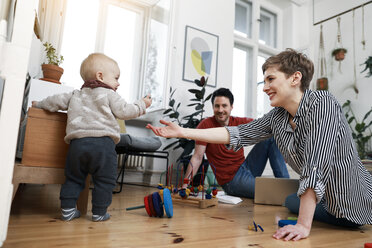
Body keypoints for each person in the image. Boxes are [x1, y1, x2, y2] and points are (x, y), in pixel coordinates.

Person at [146, 48, 372, 241]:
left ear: (295, 78)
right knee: (290, 201)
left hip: (355, 204)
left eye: (271, 79)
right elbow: (236, 134)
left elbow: (315, 166)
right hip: (328, 202)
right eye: (264, 81)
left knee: (299, 202)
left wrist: (303, 226)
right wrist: (183, 131)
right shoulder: (277, 117)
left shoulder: (323, 104)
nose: (264, 87)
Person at [32, 53, 152, 222]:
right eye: (116, 78)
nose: (118, 82)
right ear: (100, 76)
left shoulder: (75, 94)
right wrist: (142, 104)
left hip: (77, 145)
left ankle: (67, 210)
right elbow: (125, 111)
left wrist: (38, 104)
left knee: (73, 177)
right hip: (103, 145)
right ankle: (99, 212)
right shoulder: (110, 94)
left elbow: (54, 101)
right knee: (105, 180)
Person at [182, 87, 289, 198]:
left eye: (224, 106)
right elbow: (197, 157)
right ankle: (288, 194)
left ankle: (286, 186)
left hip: (246, 167)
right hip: (231, 180)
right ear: (213, 107)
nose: (220, 110)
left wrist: (285, 150)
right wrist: (185, 184)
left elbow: (267, 127)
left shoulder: (239, 122)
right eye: (217, 106)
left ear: (231, 107)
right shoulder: (205, 126)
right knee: (272, 193)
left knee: (270, 137)